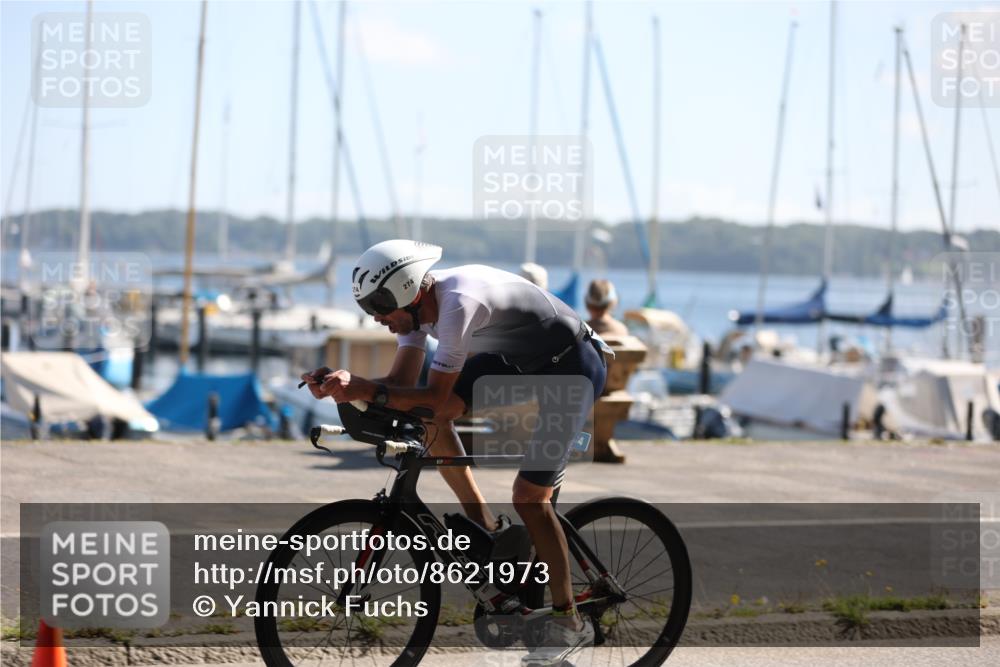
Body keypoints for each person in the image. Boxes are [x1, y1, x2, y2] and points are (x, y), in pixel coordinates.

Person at [302, 239, 609, 666]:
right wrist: (345, 385)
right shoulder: (413, 312)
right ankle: (487, 525)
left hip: (571, 366)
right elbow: (401, 384)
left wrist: (365, 388)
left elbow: (432, 394)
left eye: (380, 309)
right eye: (369, 310)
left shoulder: (458, 305)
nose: (377, 319)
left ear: (407, 292)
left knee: (529, 498)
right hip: (516, 361)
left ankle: (568, 619)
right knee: (431, 417)